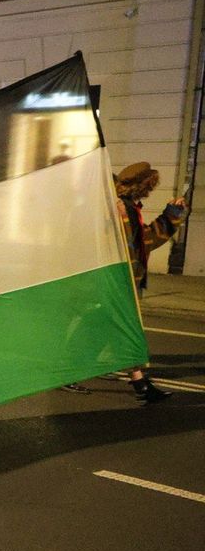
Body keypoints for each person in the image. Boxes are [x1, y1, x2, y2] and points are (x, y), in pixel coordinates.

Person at [115, 161, 188, 404]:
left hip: (122, 279)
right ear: (142, 187)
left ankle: (138, 381)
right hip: (121, 280)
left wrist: (171, 213)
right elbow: (139, 244)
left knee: (97, 327)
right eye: (149, 187)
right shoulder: (121, 210)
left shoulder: (126, 208)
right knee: (128, 330)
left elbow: (143, 240)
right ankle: (140, 383)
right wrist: (172, 215)